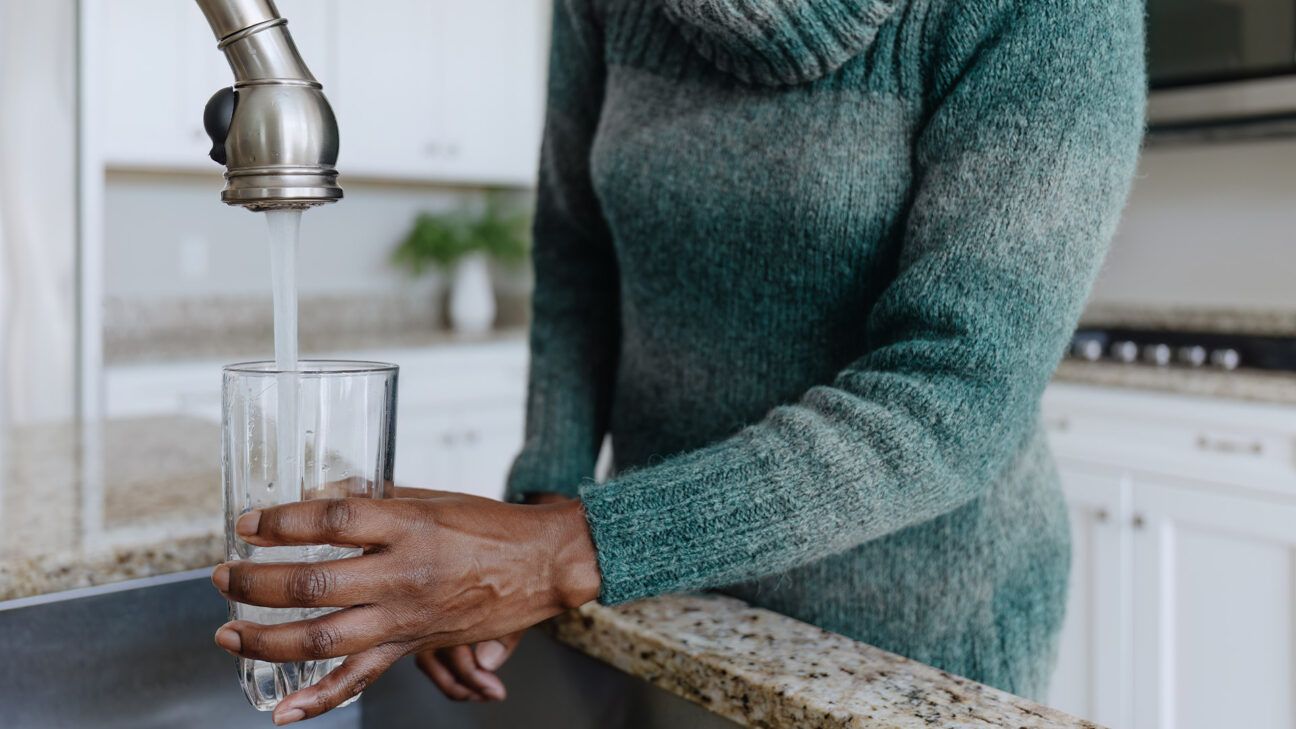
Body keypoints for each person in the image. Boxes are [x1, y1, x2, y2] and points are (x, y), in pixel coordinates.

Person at [208, 0, 1145, 723]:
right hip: (662, 594)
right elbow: (576, 252)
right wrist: (536, 508)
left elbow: (957, 393)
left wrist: (561, 550)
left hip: (912, 638)